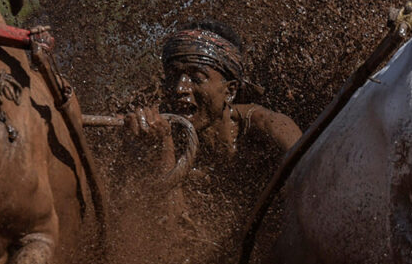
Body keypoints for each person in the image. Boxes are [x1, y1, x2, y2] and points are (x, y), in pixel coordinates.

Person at [122, 20, 302, 224]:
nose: (180, 88)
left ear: (230, 90)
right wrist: (163, 147)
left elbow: (314, 187)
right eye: (173, 77)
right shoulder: (156, 132)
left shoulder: (269, 126)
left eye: (197, 78)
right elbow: (169, 233)